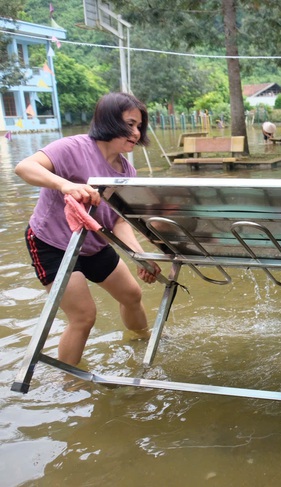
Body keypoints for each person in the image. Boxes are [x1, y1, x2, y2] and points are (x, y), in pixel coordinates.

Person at [15, 92, 162, 366]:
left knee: (132, 295)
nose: (135, 132)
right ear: (109, 121)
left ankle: (142, 343)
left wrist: (139, 255)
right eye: (130, 124)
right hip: (52, 244)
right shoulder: (73, 148)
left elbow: (118, 220)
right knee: (84, 315)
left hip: (93, 243)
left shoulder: (127, 172)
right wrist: (65, 184)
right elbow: (24, 167)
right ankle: (70, 385)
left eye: (139, 126)